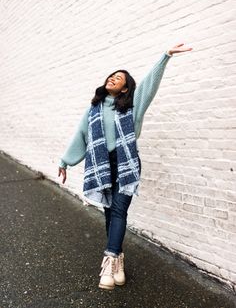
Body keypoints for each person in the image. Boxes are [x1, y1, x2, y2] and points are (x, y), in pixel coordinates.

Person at [58, 43, 193, 290]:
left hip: (126, 165)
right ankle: (118, 259)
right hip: (102, 165)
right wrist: (65, 161)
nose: (112, 79)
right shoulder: (94, 109)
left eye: (118, 78)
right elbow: (81, 134)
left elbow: (148, 86)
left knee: (119, 211)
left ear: (125, 87)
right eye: (111, 76)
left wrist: (165, 56)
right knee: (110, 212)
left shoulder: (132, 108)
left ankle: (109, 264)